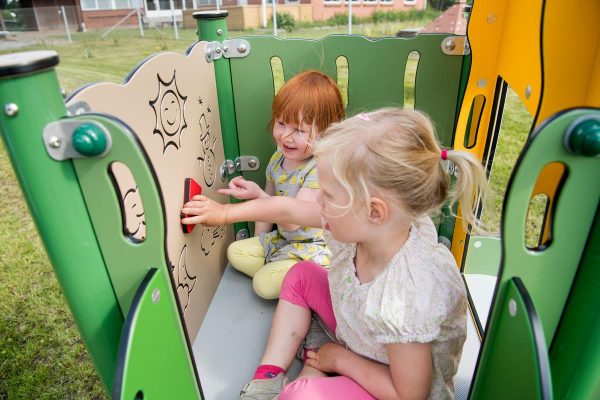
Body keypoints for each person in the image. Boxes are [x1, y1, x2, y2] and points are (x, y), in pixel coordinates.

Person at [182, 108, 489, 399]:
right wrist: (222, 214)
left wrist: (338, 359)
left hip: (391, 383)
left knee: (299, 395)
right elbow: (287, 207)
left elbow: (409, 394)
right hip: (363, 335)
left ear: (374, 211)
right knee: (300, 275)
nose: (319, 203)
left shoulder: (405, 295)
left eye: (327, 195)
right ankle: (268, 375)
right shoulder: (378, 224)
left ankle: (319, 365)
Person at [218, 70, 344, 299]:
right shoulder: (278, 159)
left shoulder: (318, 168)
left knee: (263, 286)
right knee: (235, 252)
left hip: (311, 249)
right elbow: (266, 211)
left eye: (299, 130)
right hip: (283, 241)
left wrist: (258, 197)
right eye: (281, 123)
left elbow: (293, 221)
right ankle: (290, 280)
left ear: (326, 133)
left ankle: (311, 278)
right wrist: (259, 240)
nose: (286, 136)